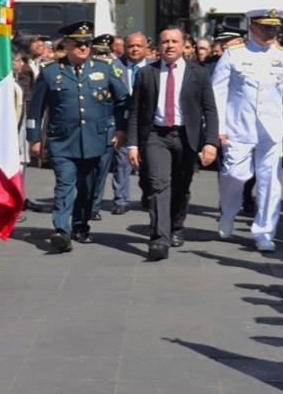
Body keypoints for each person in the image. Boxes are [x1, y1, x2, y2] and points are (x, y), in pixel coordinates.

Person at [27, 20, 129, 252]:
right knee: (64, 184)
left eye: (87, 43)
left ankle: (80, 225)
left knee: (88, 187)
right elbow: (36, 108)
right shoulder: (51, 71)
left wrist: (121, 129)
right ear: (67, 44)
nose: (83, 47)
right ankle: (62, 229)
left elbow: (123, 100)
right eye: (78, 44)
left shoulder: (103, 69)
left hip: (97, 140)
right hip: (63, 141)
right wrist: (34, 138)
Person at [213, 9, 283, 252]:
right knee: (234, 174)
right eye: (266, 26)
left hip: (271, 130)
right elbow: (218, 93)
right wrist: (218, 128)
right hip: (238, 127)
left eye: (274, 27)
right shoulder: (234, 54)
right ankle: (228, 212)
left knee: (270, 182)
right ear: (252, 26)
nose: (271, 31)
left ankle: (264, 231)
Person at [127, 26, 218, 261]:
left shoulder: (199, 73)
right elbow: (135, 111)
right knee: (158, 184)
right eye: (165, 41)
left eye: (174, 41)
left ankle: (176, 226)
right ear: (158, 46)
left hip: (186, 138)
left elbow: (210, 109)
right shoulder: (146, 73)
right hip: (156, 136)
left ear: (183, 45)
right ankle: (159, 239)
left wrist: (210, 143)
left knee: (181, 187)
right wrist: (133, 144)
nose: (169, 45)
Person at [112, 32, 151, 215]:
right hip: (123, 121)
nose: (134, 49)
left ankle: (149, 195)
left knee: (149, 162)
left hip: (149, 124)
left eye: (138, 46)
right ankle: (121, 199)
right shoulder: (113, 66)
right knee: (122, 161)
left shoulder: (155, 67)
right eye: (130, 46)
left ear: (146, 48)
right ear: (124, 47)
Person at [89, 33, 118, 220]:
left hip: (107, 127)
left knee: (101, 172)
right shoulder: (86, 70)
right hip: (87, 128)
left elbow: (121, 100)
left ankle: (94, 206)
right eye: (99, 53)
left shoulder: (113, 71)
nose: (103, 57)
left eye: (106, 53)